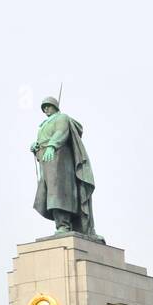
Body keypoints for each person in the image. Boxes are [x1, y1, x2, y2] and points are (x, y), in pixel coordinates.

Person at [31, 95, 98, 236]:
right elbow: (42, 141)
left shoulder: (61, 118)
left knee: (58, 192)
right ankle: (60, 224)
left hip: (60, 159)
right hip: (47, 161)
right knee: (49, 192)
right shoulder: (43, 124)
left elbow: (60, 132)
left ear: (55, 106)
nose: (46, 109)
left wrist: (52, 146)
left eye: (48, 106)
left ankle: (64, 225)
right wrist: (36, 147)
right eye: (44, 107)